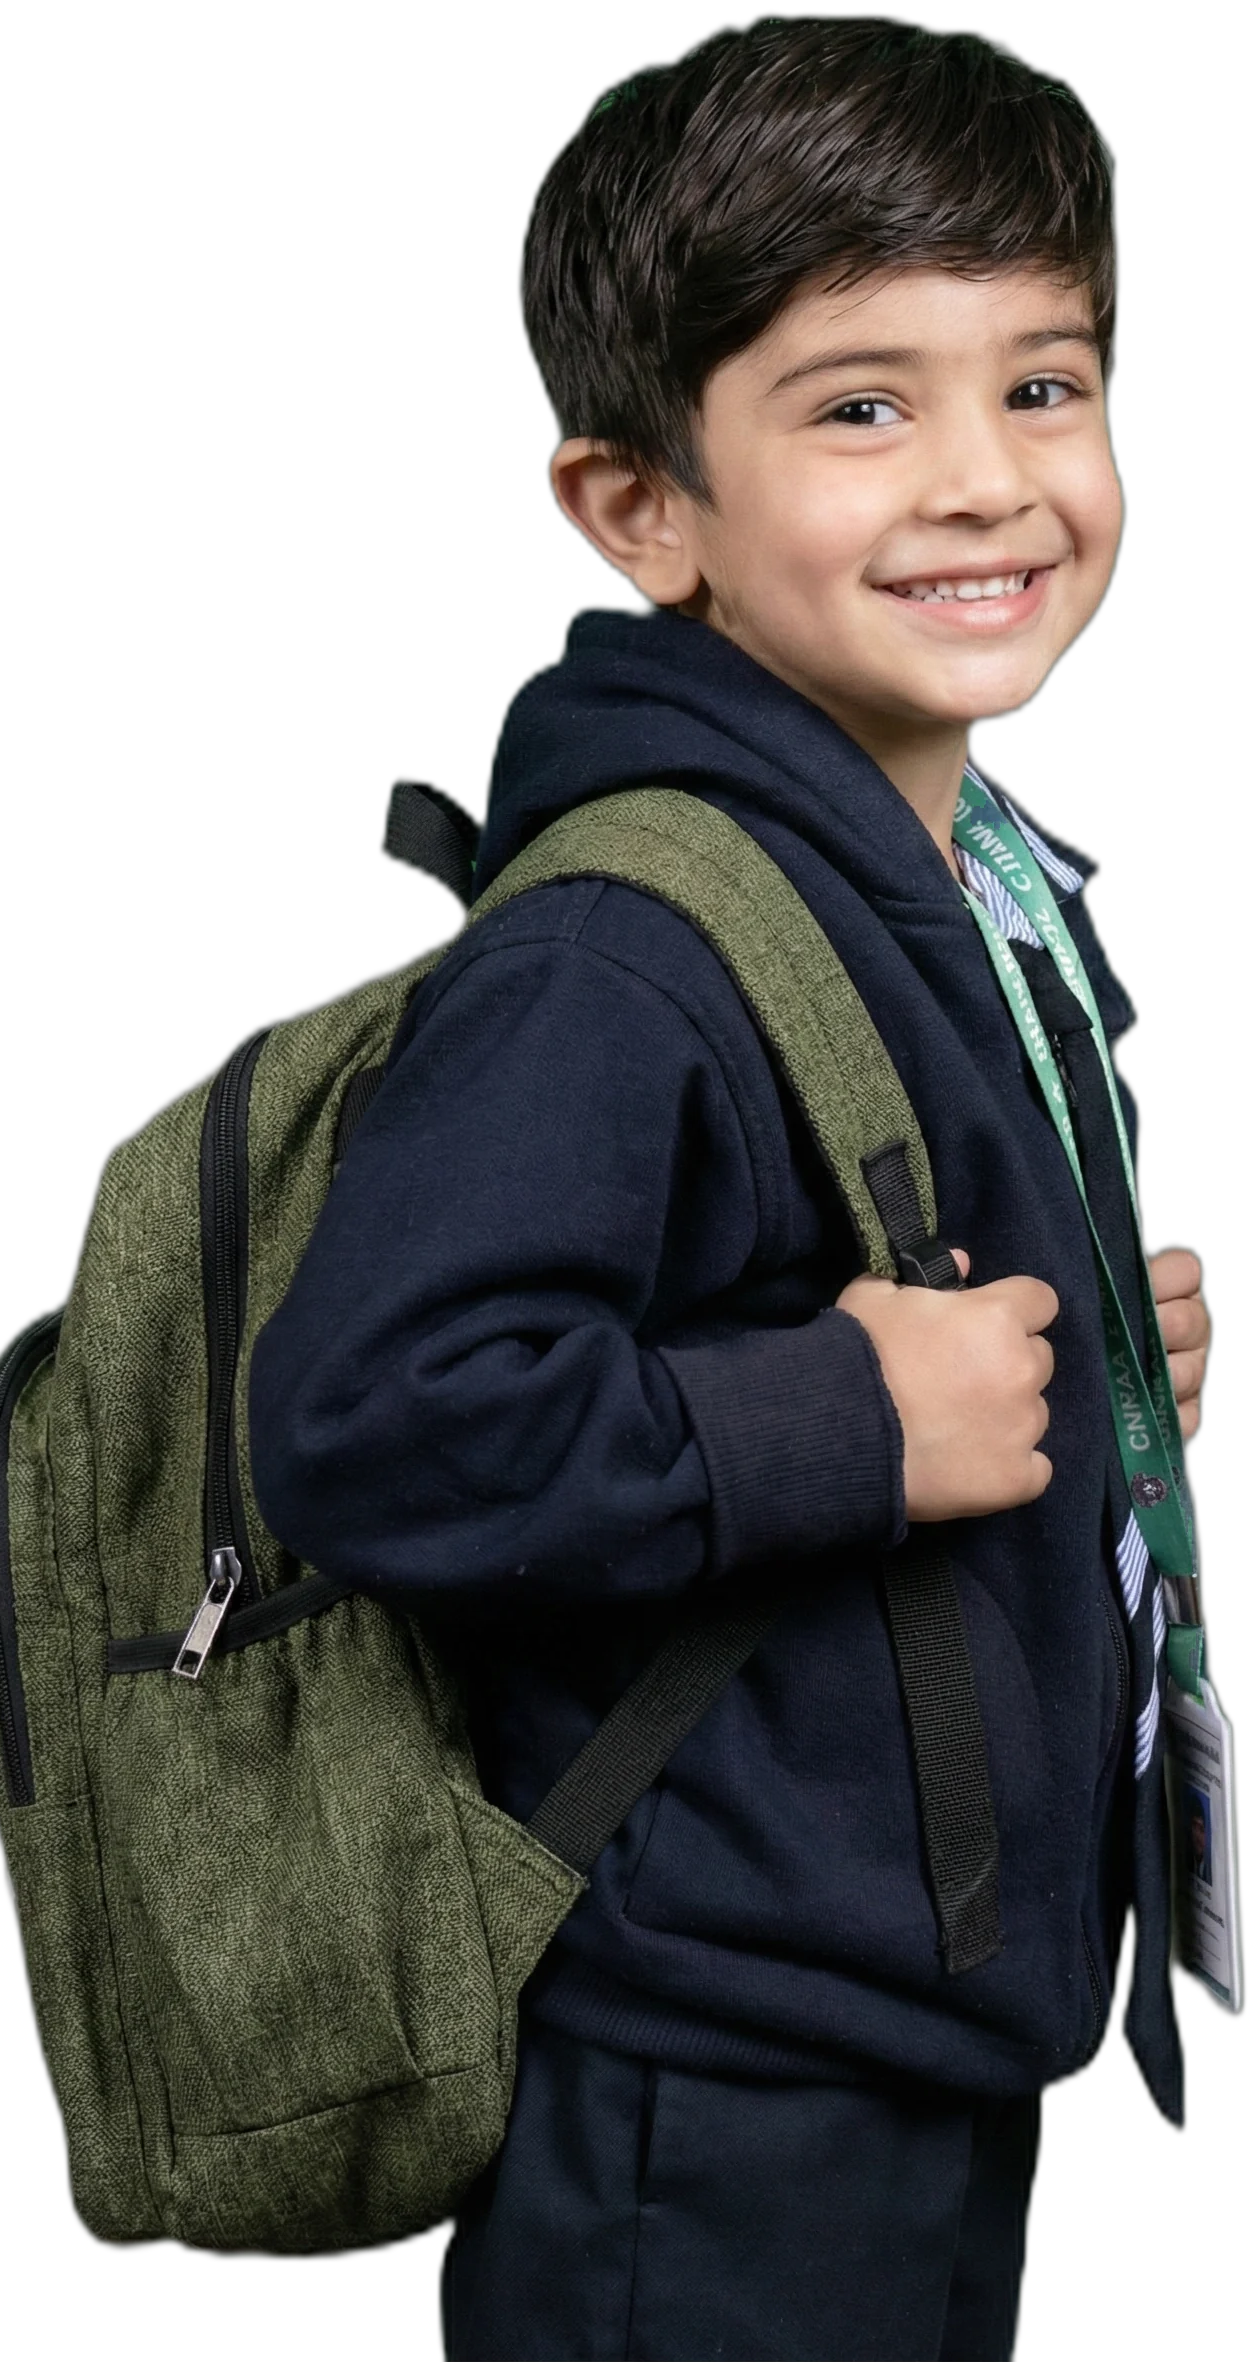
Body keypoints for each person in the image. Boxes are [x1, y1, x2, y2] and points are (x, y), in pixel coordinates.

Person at [249, 16, 1213, 2360]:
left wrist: (1086, 1367)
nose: (984, 481)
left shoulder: (964, 866)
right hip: (711, 2080)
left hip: (917, 2019)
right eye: (859, 404)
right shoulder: (623, 946)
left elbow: (848, 1259)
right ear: (639, 510)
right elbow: (370, 1424)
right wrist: (847, 1425)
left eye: (1043, 386)